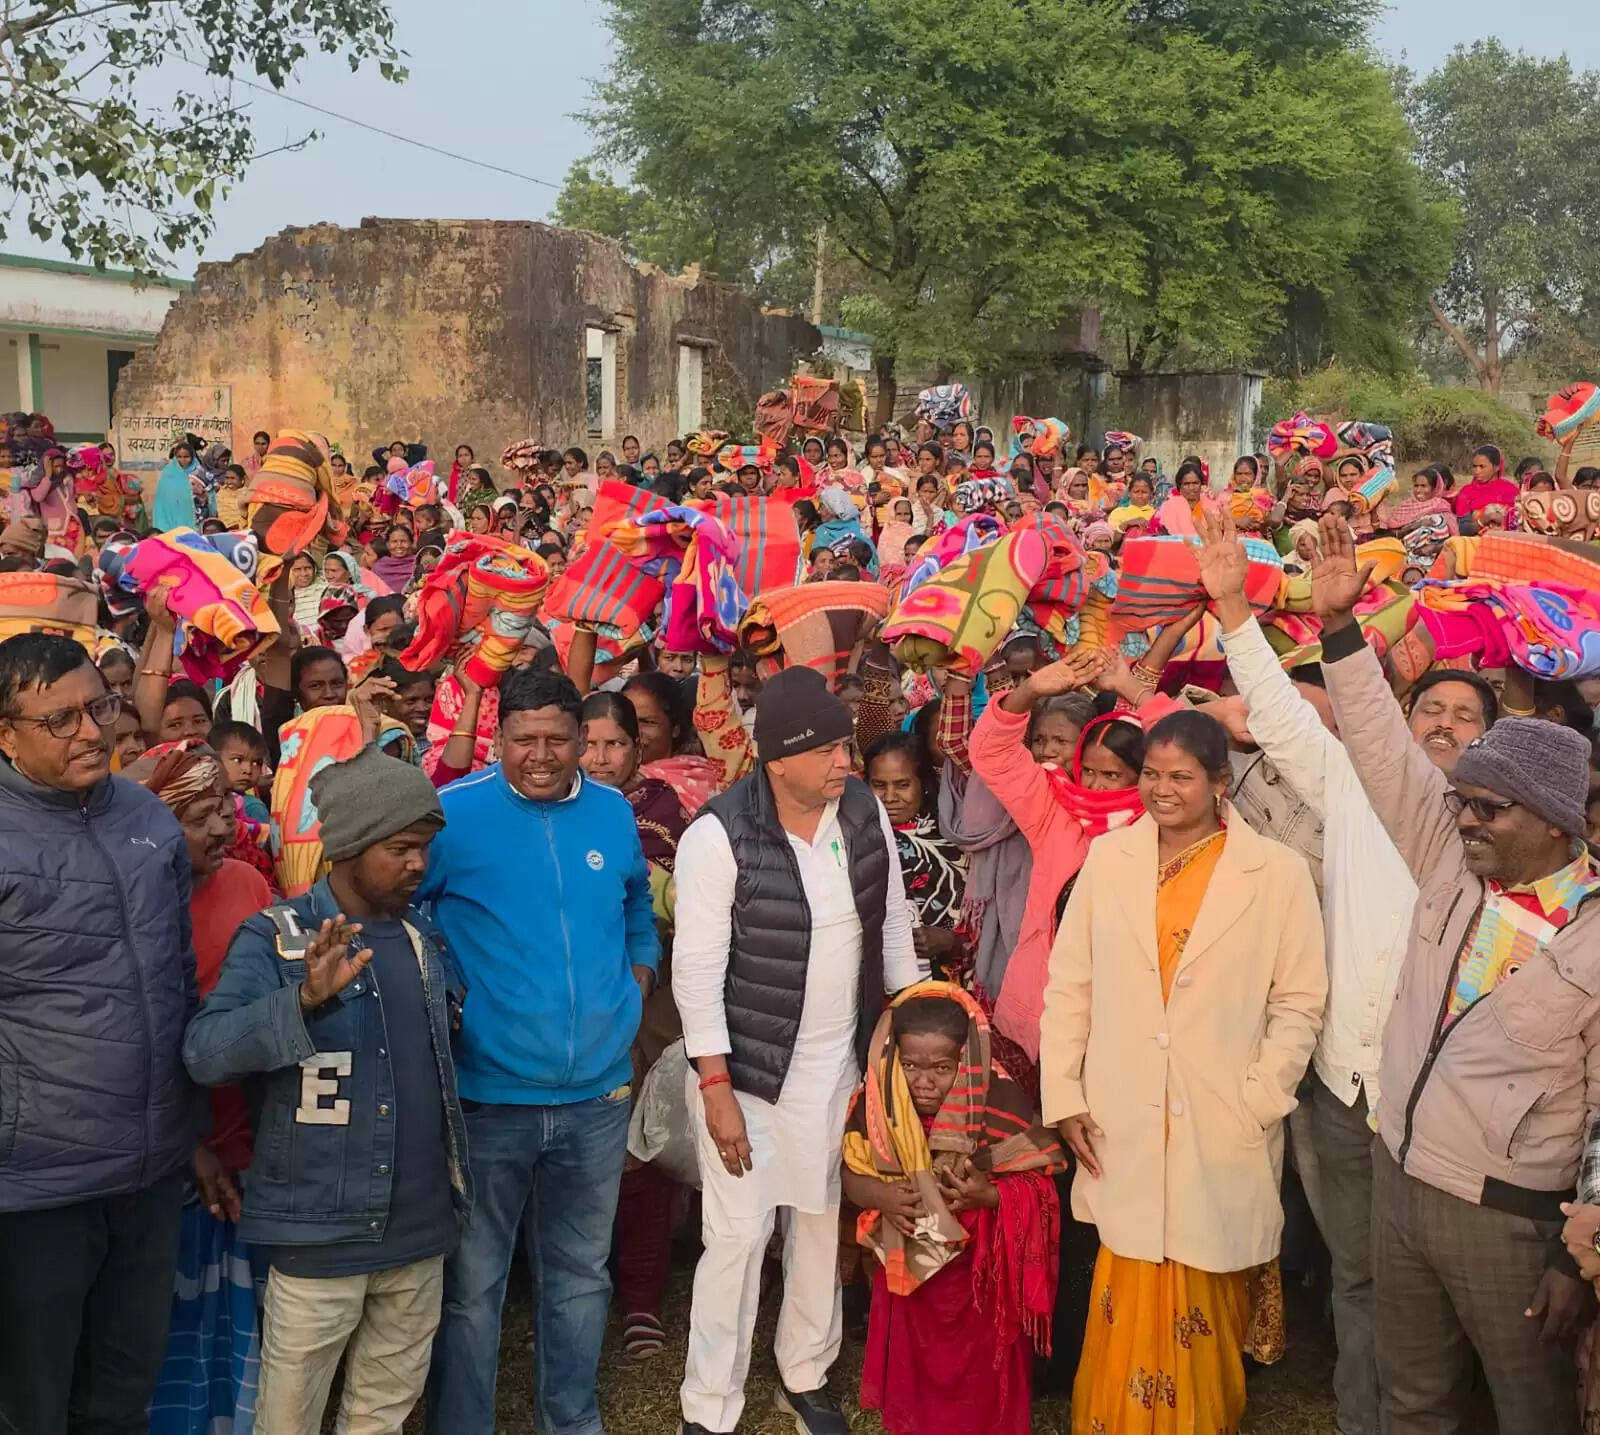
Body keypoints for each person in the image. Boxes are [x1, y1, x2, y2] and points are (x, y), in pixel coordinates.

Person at [1193, 506, 1492, 1435]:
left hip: (1443, 1106)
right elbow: (1280, 720)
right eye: (1429, 709)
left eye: (1465, 714)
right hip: (1340, 1085)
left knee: (1441, 1294)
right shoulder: (1358, 782)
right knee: (1358, 1278)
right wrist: (1234, 609)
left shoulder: (1504, 832)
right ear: (1397, 718)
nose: (1443, 725)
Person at [1315, 512, 1599, 1435]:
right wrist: (1339, 629)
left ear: (1555, 826)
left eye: (1485, 808)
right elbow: (1378, 745)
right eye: (1463, 800)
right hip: (1400, 1181)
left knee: (1531, 1414)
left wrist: (1580, 1257)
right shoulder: (1448, 851)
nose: (1461, 816)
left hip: (1515, 1227)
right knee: (1414, 1403)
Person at [1043, 709, 1327, 1435]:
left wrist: (1262, 1095)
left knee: (1206, 1279)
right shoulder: (1110, 859)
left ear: (1221, 783)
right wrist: (1065, 1095)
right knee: (1125, 1269)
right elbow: (1069, 985)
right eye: (1151, 774)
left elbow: (1299, 1000)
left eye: (1181, 777)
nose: (1161, 790)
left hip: (1220, 1114)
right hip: (1120, 1113)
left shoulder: (1277, 874)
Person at [183, 744, 469, 1435]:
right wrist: (303, 1001)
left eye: (425, 847)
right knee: (288, 1420)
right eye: (401, 847)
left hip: (419, 1232)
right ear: (348, 846)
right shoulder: (274, 938)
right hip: (318, 1236)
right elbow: (205, 1053)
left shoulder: (423, 937)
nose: (418, 864)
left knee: (381, 1416)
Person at [673, 666, 924, 1435]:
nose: (845, 763)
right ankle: (708, 1405)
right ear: (778, 760)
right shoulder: (717, 835)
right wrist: (715, 1086)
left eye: (846, 746)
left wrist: (905, 1023)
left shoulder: (860, 812)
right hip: (746, 1070)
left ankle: (805, 1374)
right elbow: (697, 971)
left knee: (819, 1222)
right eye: (827, 752)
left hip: (839, 1061)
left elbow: (890, 923)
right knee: (739, 1235)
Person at [423, 667, 658, 1435]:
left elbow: (633, 901)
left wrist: (640, 969)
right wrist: (450, 998)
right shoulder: (452, 818)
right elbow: (406, 910)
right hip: (491, 1096)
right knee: (475, 1284)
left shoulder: (612, 812)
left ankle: (571, 1418)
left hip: (595, 1095)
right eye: (527, 739)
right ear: (498, 738)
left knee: (580, 1278)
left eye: (562, 738)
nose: (546, 754)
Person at [0, 633, 199, 1435]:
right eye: (60, 720)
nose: (91, 731)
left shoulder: (147, 814)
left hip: (148, 1168)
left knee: (122, 1393)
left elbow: (178, 975)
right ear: (6, 734)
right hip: (34, 1183)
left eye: (99, 707)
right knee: (31, 1404)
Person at [842, 983, 1066, 1435]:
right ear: (891, 1059)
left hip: (981, 1291)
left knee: (980, 1384)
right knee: (918, 1374)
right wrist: (882, 1196)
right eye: (910, 1066)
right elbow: (851, 1176)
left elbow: (1040, 1186)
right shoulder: (879, 1108)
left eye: (942, 1068)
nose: (924, 1082)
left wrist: (990, 1196)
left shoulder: (997, 1100)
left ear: (967, 1062)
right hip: (911, 1285)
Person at [143, 741, 273, 1435]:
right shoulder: (133, 900)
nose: (222, 825)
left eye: (224, 804)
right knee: (172, 1319)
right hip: (169, 1146)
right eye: (199, 814)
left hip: (248, 1132)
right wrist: (189, 1142)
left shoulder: (251, 886)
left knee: (243, 1312)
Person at [579, 690, 690, 1358]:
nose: (599, 756)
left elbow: (667, 907)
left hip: (644, 999)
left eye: (614, 742)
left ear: (637, 747)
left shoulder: (661, 807)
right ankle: (582, 1284)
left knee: (639, 1142)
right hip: (569, 996)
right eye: (587, 741)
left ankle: (641, 1296)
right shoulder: (548, 808)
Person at [865, 731, 967, 981]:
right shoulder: (857, 840)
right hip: (879, 983)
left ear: (922, 783)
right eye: (879, 785)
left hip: (953, 983)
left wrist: (950, 941)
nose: (890, 798)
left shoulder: (954, 837)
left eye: (902, 784)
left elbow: (983, 920)